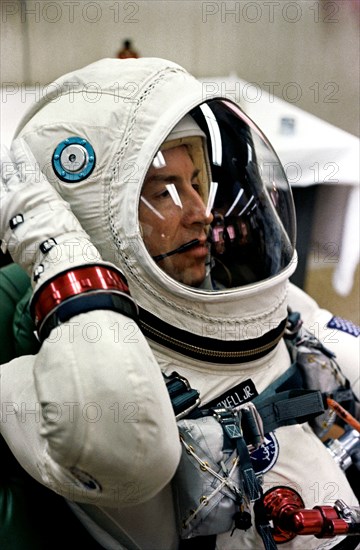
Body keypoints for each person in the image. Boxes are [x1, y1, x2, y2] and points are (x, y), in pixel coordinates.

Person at [0, 57, 359, 550]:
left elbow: (306, 324)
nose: (202, 212)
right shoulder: (72, 375)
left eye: (197, 183)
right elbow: (128, 449)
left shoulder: (230, 298)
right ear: (96, 226)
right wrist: (55, 242)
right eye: (164, 192)